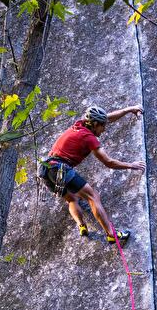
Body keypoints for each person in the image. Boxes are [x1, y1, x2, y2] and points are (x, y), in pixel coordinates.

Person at [37, 104, 144, 244]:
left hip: (45, 170)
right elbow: (108, 162)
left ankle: (81, 226)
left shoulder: (80, 124)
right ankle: (111, 234)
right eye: (102, 126)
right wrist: (131, 165)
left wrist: (128, 109)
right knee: (93, 197)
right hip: (59, 168)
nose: (104, 129)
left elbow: (107, 118)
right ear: (94, 124)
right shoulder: (89, 138)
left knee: (72, 199)